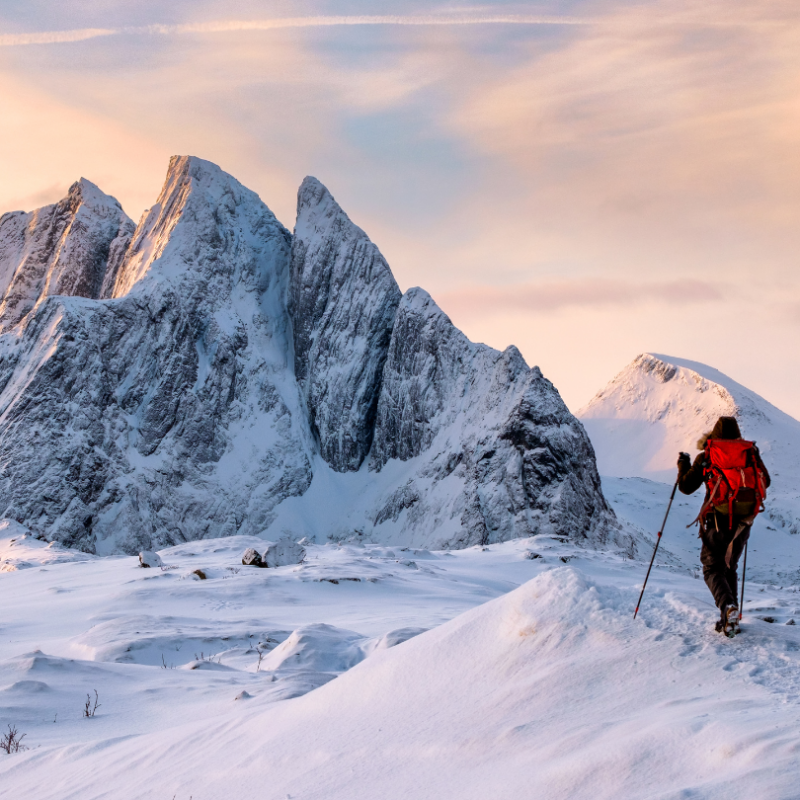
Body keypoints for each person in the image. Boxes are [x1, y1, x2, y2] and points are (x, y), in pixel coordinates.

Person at [677, 416, 770, 634]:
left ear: (714, 434)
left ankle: (727, 609)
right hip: (744, 521)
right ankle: (730, 617)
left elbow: (685, 487)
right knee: (730, 567)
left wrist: (684, 465)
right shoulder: (749, 452)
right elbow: (766, 480)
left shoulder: (707, 455)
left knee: (712, 568)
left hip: (716, 520)